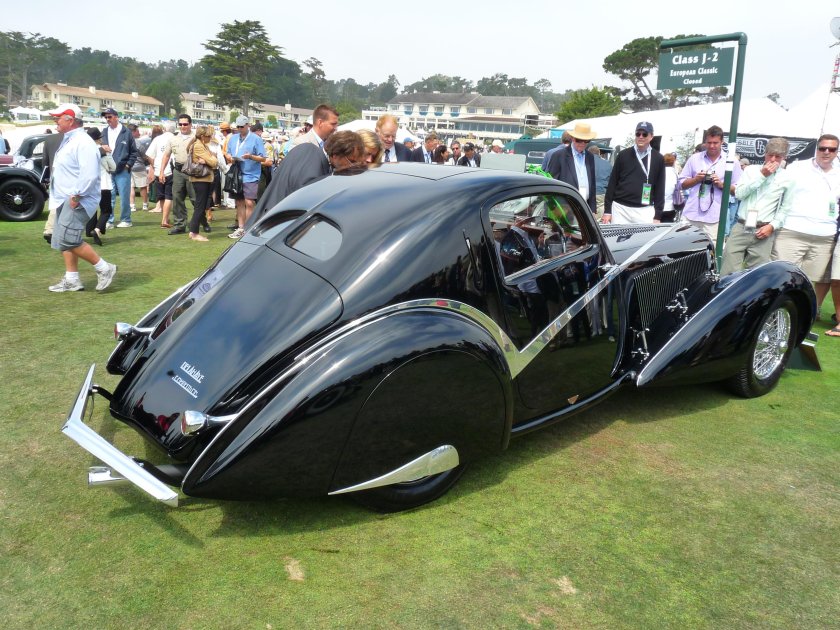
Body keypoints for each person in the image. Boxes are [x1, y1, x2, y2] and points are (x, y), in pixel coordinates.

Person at [46, 104, 117, 293]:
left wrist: (77, 195)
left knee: (68, 239)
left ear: (70, 120)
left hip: (76, 197)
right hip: (66, 197)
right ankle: (72, 279)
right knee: (63, 240)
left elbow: (89, 174)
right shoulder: (71, 139)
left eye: (58, 118)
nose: (55, 121)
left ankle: (104, 268)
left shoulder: (82, 142)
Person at [772, 134, 840, 322]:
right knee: (784, 275)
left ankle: (806, 313)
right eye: (822, 148)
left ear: (836, 151)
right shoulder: (797, 167)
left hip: (824, 235)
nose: (826, 152)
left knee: (813, 280)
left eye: (831, 149)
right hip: (791, 231)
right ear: (816, 148)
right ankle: (776, 311)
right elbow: (777, 191)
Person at [719, 138, 790, 275]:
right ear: (765, 153)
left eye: (778, 156)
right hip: (741, 225)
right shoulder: (751, 170)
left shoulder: (787, 177)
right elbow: (739, 194)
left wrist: (772, 226)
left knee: (757, 276)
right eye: (770, 155)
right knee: (727, 272)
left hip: (764, 229)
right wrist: (762, 175)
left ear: (784, 157)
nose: (773, 159)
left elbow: (786, 207)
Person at [678, 125, 742, 247]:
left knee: (712, 252)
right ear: (705, 142)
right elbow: (682, 184)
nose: (712, 146)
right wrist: (696, 179)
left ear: (722, 142)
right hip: (691, 214)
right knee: (684, 250)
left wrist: (721, 184)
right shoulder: (694, 158)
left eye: (715, 143)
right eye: (709, 142)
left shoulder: (731, 161)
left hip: (715, 217)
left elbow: (738, 190)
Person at [603, 122, 666, 224]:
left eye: (644, 134)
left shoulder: (658, 158)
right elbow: (612, 183)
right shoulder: (623, 155)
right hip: (620, 208)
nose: (641, 137)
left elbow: (660, 187)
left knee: (644, 240)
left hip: (644, 210)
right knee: (618, 239)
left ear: (651, 136)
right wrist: (607, 210)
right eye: (638, 134)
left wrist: (658, 215)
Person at [225, 115, 266, 239]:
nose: (239, 129)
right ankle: (241, 227)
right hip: (237, 173)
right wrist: (228, 157)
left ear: (248, 125)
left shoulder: (256, 139)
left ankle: (249, 227)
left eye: (241, 127)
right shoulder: (233, 138)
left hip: (251, 174)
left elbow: (263, 158)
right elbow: (228, 152)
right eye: (237, 127)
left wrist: (251, 156)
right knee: (239, 201)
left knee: (249, 201)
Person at [545, 122, 597, 214]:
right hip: (564, 206)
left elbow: (592, 183)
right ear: (572, 138)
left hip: (584, 206)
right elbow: (551, 183)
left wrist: (592, 209)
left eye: (586, 141)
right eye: (579, 140)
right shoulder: (559, 155)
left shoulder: (590, 156)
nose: (582, 143)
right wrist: (553, 208)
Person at [159, 114, 197, 235]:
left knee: (196, 199)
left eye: (185, 124)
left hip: (194, 171)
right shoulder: (173, 139)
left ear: (190, 124)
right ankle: (179, 225)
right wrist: (161, 171)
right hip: (178, 171)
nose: (183, 126)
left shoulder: (197, 138)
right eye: (180, 124)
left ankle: (197, 222)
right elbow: (166, 155)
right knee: (177, 198)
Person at [100, 107, 138, 228]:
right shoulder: (104, 132)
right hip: (108, 169)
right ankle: (109, 220)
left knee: (124, 196)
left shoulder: (126, 132)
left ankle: (126, 219)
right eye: (106, 117)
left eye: (109, 117)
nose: (107, 119)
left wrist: (128, 165)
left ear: (116, 117)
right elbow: (99, 147)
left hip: (122, 169)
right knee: (109, 196)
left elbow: (134, 152)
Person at [184, 126, 218, 242]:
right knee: (199, 206)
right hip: (201, 180)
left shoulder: (201, 145)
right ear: (202, 136)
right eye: (209, 136)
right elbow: (214, 162)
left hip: (203, 179)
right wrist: (211, 159)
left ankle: (194, 231)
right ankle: (194, 232)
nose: (210, 138)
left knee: (200, 206)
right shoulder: (199, 146)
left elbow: (212, 161)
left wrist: (209, 160)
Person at [84, 127, 116, 246]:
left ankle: (89, 230)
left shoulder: (85, 149)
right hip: (104, 184)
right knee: (106, 210)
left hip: (90, 185)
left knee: (92, 209)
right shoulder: (102, 151)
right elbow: (114, 167)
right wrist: (107, 153)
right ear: (99, 139)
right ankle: (97, 230)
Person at [147, 121, 176, 228]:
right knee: (169, 196)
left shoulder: (157, 139)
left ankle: (165, 218)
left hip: (158, 170)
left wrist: (155, 166)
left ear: (164, 129)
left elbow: (149, 155)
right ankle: (165, 219)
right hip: (171, 170)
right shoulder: (175, 139)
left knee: (162, 196)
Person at [128, 124, 150, 211]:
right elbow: (144, 154)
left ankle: (132, 205)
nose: (139, 133)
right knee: (143, 186)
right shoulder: (137, 142)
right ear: (133, 132)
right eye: (137, 131)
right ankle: (145, 204)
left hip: (128, 166)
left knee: (131, 187)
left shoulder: (125, 141)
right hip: (139, 166)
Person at [588, 145, 612, 218]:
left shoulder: (585, 162)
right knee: (599, 218)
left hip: (587, 193)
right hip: (602, 193)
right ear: (599, 153)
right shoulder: (608, 164)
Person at [661, 153, 679, 222]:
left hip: (658, 206)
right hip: (671, 206)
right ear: (673, 162)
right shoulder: (675, 174)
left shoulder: (659, 171)